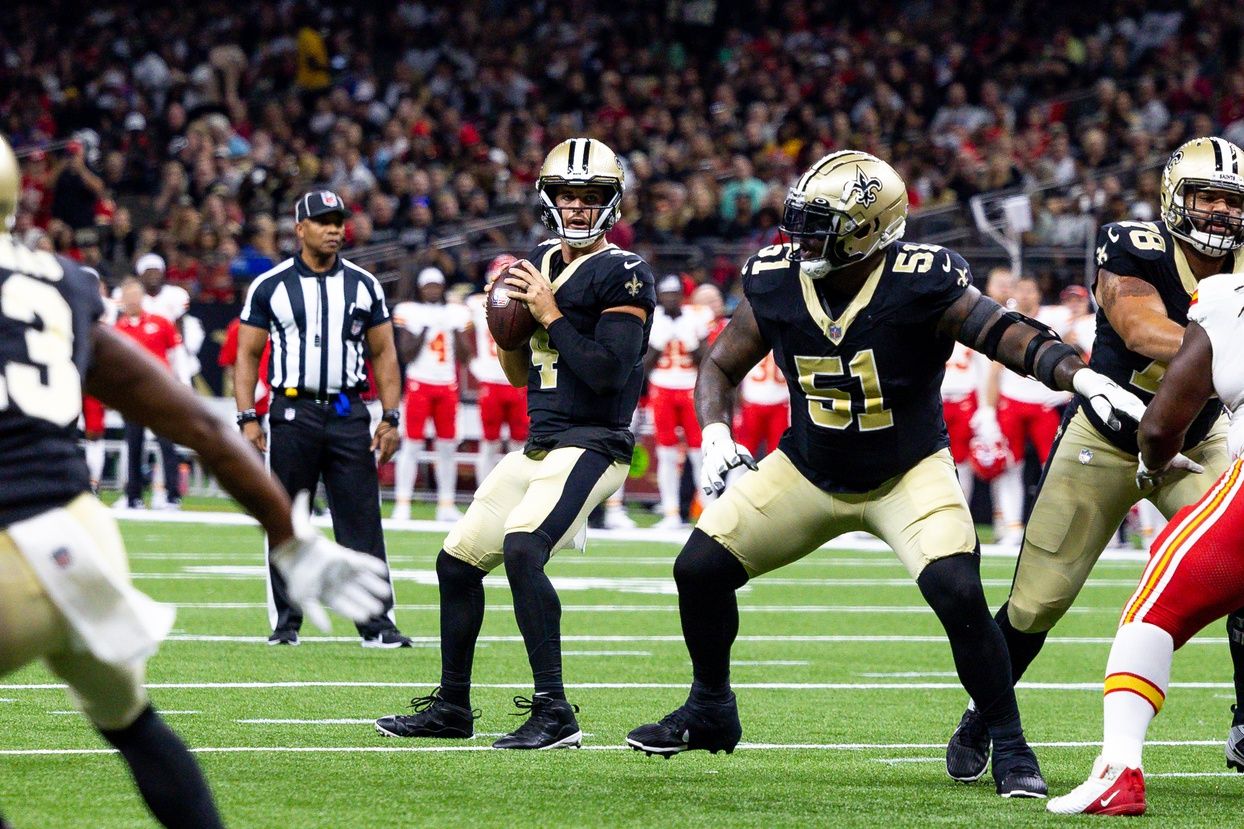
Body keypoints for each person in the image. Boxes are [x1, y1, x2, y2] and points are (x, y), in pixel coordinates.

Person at [624, 150, 1145, 798]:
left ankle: (1008, 742)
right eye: (801, 223)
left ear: (872, 230)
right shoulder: (779, 277)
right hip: (807, 470)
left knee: (957, 588)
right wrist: (716, 433)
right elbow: (719, 364)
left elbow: (1003, 332)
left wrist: (1079, 373)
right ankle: (710, 708)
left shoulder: (918, 279)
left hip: (907, 473)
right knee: (698, 569)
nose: (802, 240)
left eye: (822, 225)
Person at [0, 134, 390, 829]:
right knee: (134, 725)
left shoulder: (358, 287)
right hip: (80, 544)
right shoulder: (58, 282)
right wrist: (290, 535)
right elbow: (200, 428)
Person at [945, 138, 1244, 784]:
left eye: (1232, 200)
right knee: (1036, 601)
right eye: (1208, 197)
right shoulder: (1132, 245)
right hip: (1108, 439)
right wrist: (1228, 341)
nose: (1221, 212)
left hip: (1199, 441)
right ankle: (982, 714)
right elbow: (1141, 328)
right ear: (1174, 197)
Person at [374, 137, 656, 749]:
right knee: (457, 561)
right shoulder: (537, 261)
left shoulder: (625, 272)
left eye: (590, 197)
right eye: (565, 196)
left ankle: (555, 712)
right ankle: (452, 706)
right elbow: (521, 375)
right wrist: (503, 332)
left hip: (596, 442)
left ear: (611, 202)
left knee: (524, 549)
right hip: (540, 442)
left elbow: (609, 370)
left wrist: (549, 313)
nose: (576, 208)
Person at [1047, 271, 1244, 816]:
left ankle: (1119, 771)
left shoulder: (1226, 298)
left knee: (1153, 611)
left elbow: (1161, 426)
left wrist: (1154, 461)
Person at [235, 189, 409, 648]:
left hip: (349, 411)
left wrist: (391, 415)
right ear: (300, 229)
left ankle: (377, 622)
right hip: (291, 411)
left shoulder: (363, 284)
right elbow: (247, 355)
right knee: (287, 518)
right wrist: (247, 416)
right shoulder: (269, 285)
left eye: (339, 221)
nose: (334, 229)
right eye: (323, 221)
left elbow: (384, 352)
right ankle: (286, 623)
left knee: (361, 518)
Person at [977, 274, 1071, 545]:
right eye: (1022, 291)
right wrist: (988, 410)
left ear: (1039, 294)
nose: (1027, 296)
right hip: (1012, 400)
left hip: (1045, 403)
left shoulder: (1058, 318)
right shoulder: (1005, 320)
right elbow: (994, 371)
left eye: (1031, 290)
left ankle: (1054, 527)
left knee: (1054, 467)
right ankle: (1013, 527)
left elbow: (1083, 333)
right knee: (1008, 466)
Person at [391, 266, 471, 522]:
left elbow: (466, 356)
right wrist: (426, 329)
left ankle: (445, 503)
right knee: (412, 444)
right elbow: (406, 354)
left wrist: (454, 330)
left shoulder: (454, 314)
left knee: (447, 447)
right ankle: (403, 502)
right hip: (419, 384)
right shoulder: (410, 312)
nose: (433, 290)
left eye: (437, 285)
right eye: (428, 285)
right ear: (420, 288)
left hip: (446, 385)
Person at [645, 274, 709, 529]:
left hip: (690, 387)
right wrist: (658, 344)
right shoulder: (653, 319)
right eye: (665, 293)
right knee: (666, 453)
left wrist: (691, 343)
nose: (670, 298)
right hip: (662, 387)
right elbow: (645, 365)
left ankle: (707, 511)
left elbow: (706, 359)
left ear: (682, 296)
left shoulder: (696, 317)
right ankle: (670, 511)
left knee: (698, 453)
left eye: (674, 293)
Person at [113, 277, 183, 510]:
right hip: (132, 393)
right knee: (134, 443)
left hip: (159, 391)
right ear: (121, 301)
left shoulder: (161, 322)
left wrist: (178, 384)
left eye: (135, 296)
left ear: (142, 298)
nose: (132, 301)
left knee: (166, 443)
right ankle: (134, 496)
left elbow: (176, 355)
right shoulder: (118, 329)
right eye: (128, 297)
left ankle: (172, 495)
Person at [467, 254, 529, 486]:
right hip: (491, 380)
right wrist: (476, 367)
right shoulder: (475, 304)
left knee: (519, 444)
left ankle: (516, 493)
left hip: (517, 379)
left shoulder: (526, 302)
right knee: (489, 442)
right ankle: (483, 494)